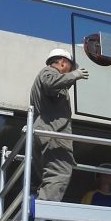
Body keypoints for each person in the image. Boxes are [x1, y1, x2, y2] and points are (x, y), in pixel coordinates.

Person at [29, 46, 88, 201]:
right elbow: (51, 82)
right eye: (69, 67)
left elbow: (55, 87)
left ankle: (41, 209)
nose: (70, 71)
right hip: (53, 132)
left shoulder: (53, 80)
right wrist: (75, 75)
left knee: (49, 176)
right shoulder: (49, 72)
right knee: (59, 172)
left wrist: (69, 80)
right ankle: (45, 214)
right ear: (62, 62)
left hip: (45, 131)